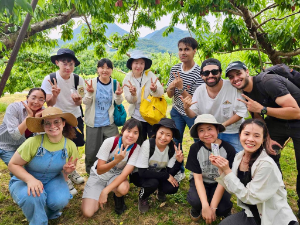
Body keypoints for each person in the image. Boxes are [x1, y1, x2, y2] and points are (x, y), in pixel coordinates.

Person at [226, 61, 300, 215]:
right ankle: (275, 196)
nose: (235, 79)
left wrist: (263, 108)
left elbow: (296, 112)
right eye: (231, 77)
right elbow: (257, 117)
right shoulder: (246, 93)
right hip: (278, 123)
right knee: (266, 155)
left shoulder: (268, 82)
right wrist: (266, 138)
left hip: (297, 119)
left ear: (247, 72)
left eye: (238, 73)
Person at [210, 119, 298, 225]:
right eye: (246, 134)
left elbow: (250, 197)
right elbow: (232, 187)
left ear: (263, 139)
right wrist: (222, 168)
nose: (250, 139)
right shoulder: (239, 157)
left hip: (271, 216)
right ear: (240, 135)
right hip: (251, 212)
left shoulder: (266, 164)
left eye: (256, 136)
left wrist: (227, 171)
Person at [8, 107, 79, 225]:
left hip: (53, 179)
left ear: (63, 123)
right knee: (33, 196)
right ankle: (38, 220)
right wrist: (30, 180)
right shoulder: (33, 142)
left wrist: (66, 172)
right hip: (24, 180)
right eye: (47, 123)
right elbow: (12, 164)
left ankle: (45, 211)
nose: (52, 126)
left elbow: (67, 174)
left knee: (60, 200)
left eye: (56, 121)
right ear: (43, 126)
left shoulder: (70, 146)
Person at [41, 48, 85, 195]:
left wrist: (79, 101)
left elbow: (80, 102)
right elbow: (49, 103)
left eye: (71, 64)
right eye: (64, 63)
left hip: (75, 117)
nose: (68, 67)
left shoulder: (78, 79)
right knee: (60, 148)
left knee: (74, 146)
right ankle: (63, 177)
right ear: (57, 62)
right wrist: (54, 95)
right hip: (58, 118)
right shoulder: (50, 79)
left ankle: (72, 171)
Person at [182, 58, 248, 153]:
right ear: (201, 76)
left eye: (214, 72)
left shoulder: (232, 87)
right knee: (216, 159)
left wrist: (222, 126)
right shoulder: (199, 91)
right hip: (211, 134)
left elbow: (241, 112)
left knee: (238, 158)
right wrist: (186, 108)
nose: (210, 75)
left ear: (220, 73)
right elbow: (192, 114)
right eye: (206, 73)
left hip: (232, 131)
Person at [81, 118, 142, 216]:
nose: (131, 135)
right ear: (122, 131)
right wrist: (115, 161)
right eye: (129, 131)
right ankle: (96, 190)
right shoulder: (110, 142)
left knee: (123, 188)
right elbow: (100, 170)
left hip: (116, 176)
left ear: (138, 135)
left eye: (135, 132)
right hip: (98, 176)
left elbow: (124, 174)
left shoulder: (136, 148)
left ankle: (117, 198)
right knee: (88, 212)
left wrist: (105, 191)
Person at [186, 114, 235, 223]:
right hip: (201, 180)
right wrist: (204, 206)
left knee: (222, 208)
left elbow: (224, 179)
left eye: (210, 129)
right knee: (196, 201)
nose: (206, 134)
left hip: (220, 182)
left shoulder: (229, 149)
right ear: (198, 134)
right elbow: (198, 179)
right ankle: (197, 208)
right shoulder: (195, 149)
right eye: (201, 130)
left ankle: (220, 208)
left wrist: (212, 207)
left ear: (217, 130)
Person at [130, 118, 184, 213]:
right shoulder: (148, 144)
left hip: (158, 173)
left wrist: (178, 162)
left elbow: (170, 172)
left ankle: (160, 190)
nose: (163, 138)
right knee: (152, 183)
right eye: (161, 133)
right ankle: (143, 197)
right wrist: (165, 176)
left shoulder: (172, 148)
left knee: (172, 187)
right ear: (156, 132)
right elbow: (142, 172)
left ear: (172, 137)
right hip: (139, 174)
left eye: (168, 135)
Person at [83, 58, 123, 174]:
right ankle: (91, 173)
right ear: (98, 69)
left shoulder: (115, 83)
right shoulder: (92, 83)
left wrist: (119, 95)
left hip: (109, 123)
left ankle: (110, 172)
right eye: (102, 67)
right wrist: (90, 93)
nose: (105, 70)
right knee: (91, 152)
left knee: (113, 149)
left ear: (112, 70)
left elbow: (119, 103)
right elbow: (85, 102)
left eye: (108, 67)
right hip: (93, 123)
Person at [166, 37, 204, 150]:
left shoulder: (199, 73)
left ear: (194, 51)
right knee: (176, 140)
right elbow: (169, 94)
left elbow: (195, 100)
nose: (183, 53)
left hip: (193, 113)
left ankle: (201, 166)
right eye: (180, 49)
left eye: (186, 49)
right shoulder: (175, 69)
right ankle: (178, 167)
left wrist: (181, 89)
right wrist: (171, 87)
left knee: (199, 140)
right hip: (177, 111)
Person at [123, 50, 164, 145]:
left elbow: (160, 92)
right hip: (136, 116)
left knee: (153, 143)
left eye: (142, 63)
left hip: (151, 115)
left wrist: (155, 90)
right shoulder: (127, 78)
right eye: (136, 63)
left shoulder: (149, 75)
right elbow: (130, 101)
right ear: (131, 64)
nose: (139, 66)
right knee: (137, 143)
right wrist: (133, 94)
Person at [0, 87, 45, 167]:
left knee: (36, 169)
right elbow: (15, 135)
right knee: (19, 171)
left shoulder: (42, 112)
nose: (36, 102)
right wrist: (29, 117)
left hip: (23, 146)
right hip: (5, 145)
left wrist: (37, 119)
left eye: (41, 99)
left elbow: (39, 138)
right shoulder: (14, 108)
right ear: (27, 98)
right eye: (33, 98)